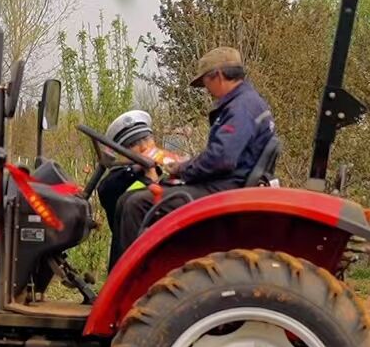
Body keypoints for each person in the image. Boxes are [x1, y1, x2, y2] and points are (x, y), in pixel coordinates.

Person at [113, 47, 274, 261]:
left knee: (136, 204)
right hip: (228, 182)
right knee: (127, 200)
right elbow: (222, 154)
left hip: (225, 188)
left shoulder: (240, 108)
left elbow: (222, 159)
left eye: (205, 82)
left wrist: (181, 168)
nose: (205, 89)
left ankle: (133, 281)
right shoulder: (247, 102)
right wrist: (187, 165)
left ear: (217, 75)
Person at [98, 110, 183, 270]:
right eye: (132, 144)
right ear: (123, 153)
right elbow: (106, 190)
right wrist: (137, 169)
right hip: (133, 265)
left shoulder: (168, 172)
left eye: (146, 138)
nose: (144, 147)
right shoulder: (118, 180)